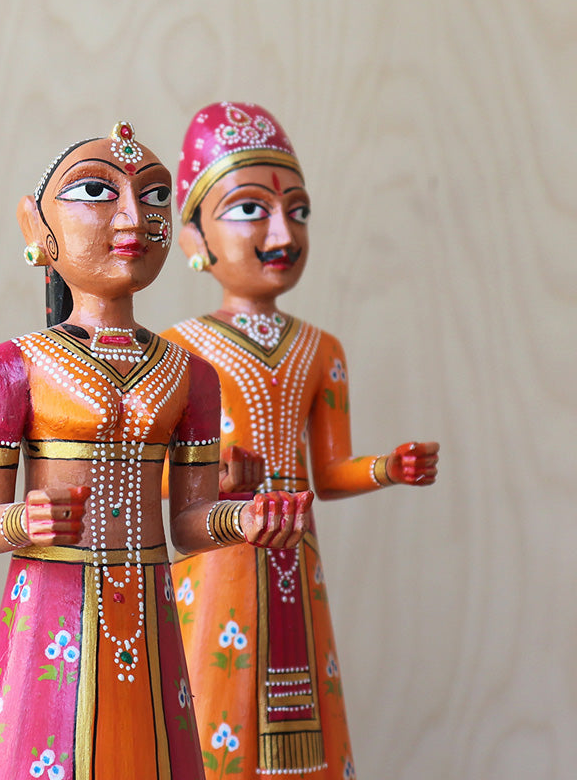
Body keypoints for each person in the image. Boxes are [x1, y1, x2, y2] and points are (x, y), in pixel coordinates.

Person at [0, 121, 314, 780]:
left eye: (153, 196)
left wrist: (244, 518)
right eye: (97, 191)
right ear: (36, 227)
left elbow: (188, 524)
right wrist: (23, 520)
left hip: (149, 612)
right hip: (48, 615)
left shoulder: (190, 374)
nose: (133, 216)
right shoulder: (5, 369)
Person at [163, 102, 440, 779]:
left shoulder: (322, 350)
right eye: (250, 209)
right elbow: (151, 477)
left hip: (297, 555)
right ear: (194, 237)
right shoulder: (174, 352)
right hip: (219, 550)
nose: (284, 233)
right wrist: (210, 478)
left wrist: (387, 467)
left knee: (305, 704)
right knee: (210, 695)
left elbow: (330, 474)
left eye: (299, 211)